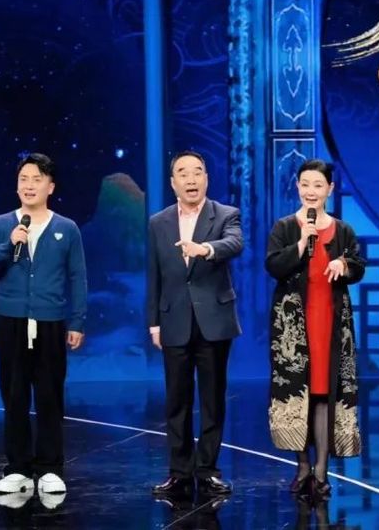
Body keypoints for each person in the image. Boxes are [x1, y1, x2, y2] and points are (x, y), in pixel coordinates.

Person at [0, 153, 87, 498]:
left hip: (51, 322)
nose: (29, 185)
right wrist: (8, 246)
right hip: (10, 322)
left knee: (50, 396)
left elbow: (78, 277)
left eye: (37, 179)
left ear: (50, 187)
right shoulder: (1, 224)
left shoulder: (67, 228)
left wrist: (77, 321)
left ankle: (50, 468)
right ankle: (18, 468)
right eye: (23, 179)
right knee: (14, 396)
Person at [266, 159, 365, 500]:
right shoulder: (284, 227)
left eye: (318, 185)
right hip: (294, 326)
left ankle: (321, 470)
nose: (311, 191)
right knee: (299, 393)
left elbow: (358, 266)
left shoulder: (343, 230)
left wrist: (343, 263)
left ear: (329, 189)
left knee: (323, 394)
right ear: (297, 187)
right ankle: (302, 467)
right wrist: (300, 245)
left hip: (331, 323)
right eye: (305, 184)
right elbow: (273, 265)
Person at [147, 151, 243, 498]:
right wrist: (154, 322)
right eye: (183, 173)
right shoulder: (158, 222)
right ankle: (179, 472)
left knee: (213, 399)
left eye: (197, 172)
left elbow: (234, 243)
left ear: (206, 179)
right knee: (177, 400)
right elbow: (154, 274)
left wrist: (205, 249)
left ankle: (208, 470)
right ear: (173, 183)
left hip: (214, 320)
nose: (191, 179)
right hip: (174, 319)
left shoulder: (226, 214)